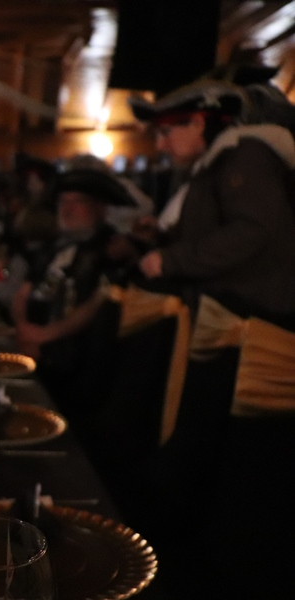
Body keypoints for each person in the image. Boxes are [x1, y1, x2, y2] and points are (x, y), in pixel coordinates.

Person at [128, 78, 295, 599]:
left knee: (236, 470)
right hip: (227, 333)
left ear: (199, 121)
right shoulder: (218, 165)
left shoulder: (243, 155)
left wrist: (172, 258)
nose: (161, 145)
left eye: (166, 132)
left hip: (249, 341)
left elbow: (253, 231)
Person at [11, 167, 138, 417]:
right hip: (37, 350)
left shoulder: (112, 248)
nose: (67, 209)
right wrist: (23, 329)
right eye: (62, 202)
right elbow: (23, 293)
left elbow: (99, 302)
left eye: (77, 202)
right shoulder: (54, 247)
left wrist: (44, 336)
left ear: (100, 208)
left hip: (80, 361)